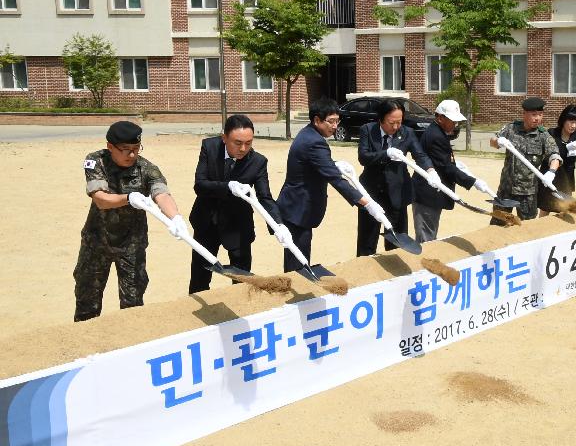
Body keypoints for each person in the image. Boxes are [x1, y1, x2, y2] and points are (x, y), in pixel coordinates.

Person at [74, 121, 186, 322]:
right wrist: (128, 198)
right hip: (96, 242)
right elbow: (100, 199)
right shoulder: (96, 161)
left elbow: (162, 194)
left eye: (136, 149)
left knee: (133, 303)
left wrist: (175, 217)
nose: (132, 155)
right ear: (110, 147)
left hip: (131, 245)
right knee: (87, 300)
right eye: (126, 150)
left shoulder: (147, 168)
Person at [276, 100, 377, 271]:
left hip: (294, 205)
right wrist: (367, 203)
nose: (335, 126)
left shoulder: (308, 134)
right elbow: (336, 179)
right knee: (297, 262)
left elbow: (316, 164)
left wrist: (334, 163)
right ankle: (297, 295)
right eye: (331, 121)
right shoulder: (315, 142)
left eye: (337, 121)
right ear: (317, 120)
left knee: (298, 256)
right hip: (299, 209)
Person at [188, 114, 281, 293]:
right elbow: (200, 185)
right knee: (200, 277)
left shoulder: (258, 162)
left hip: (238, 225)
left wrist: (278, 225)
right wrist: (227, 187)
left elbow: (265, 198)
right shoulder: (210, 147)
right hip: (207, 221)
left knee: (242, 279)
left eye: (249, 142)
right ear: (224, 138)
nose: (243, 148)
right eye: (237, 143)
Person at [357, 100, 439, 256]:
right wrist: (385, 154)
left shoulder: (407, 132)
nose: (395, 127)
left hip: (398, 192)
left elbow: (419, 155)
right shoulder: (367, 130)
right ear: (380, 119)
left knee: (397, 240)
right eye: (391, 122)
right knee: (367, 240)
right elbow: (363, 157)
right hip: (371, 193)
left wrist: (430, 170)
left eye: (399, 122)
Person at [412, 100, 485, 242]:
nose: (455, 124)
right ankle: (424, 263)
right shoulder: (436, 136)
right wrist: (472, 181)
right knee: (426, 238)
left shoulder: (438, 132)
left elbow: (444, 163)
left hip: (432, 193)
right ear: (440, 118)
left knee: (430, 233)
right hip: (428, 194)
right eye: (453, 120)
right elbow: (447, 168)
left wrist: (456, 164)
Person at [489, 97, 563, 221]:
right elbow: (492, 142)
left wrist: (551, 172)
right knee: (498, 223)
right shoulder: (511, 129)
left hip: (527, 193)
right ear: (524, 114)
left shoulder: (543, 136)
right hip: (506, 189)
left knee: (528, 228)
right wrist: (498, 141)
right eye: (534, 115)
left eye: (540, 114)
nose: (537, 118)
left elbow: (555, 156)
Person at [537, 105, 576, 216]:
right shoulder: (552, 133)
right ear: (563, 120)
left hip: (566, 178)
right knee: (545, 207)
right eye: (570, 122)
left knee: (565, 208)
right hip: (550, 175)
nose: (573, 126)